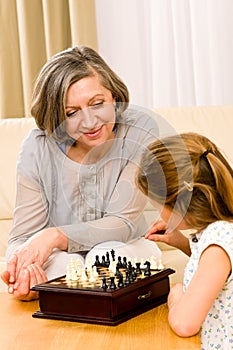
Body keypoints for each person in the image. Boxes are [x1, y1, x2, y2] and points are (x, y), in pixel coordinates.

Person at [1, 46, 162, 301]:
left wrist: (54, 235)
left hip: (125, 245)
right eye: (71, 113)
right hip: (62, 258)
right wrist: (23, 274)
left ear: (113, 95)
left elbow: (123, 222)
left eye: (97, 104)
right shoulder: (38, 146)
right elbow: (22, 238)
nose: (89, 122)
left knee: (106, 258)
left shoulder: (140, 129)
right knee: (64, 266)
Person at [136, 132, 233, 349]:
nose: (160, 215)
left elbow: (184, 324)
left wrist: (176, 296)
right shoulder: (220, 233)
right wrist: (182, 242)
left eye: (159, 206)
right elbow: (218, 272)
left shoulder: (218, 244)